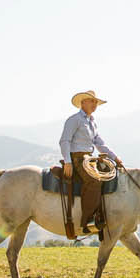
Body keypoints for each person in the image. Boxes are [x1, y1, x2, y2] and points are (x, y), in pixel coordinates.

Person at [58, 90, 114, 237]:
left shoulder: (92, 122)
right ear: (83, 103)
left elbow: (99, 143)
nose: (95, 104)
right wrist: (68, 162)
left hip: (89, 158)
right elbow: (65, 141)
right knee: (94, 180)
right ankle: (87, 222)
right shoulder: (74, 120)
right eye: (92, 101)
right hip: (77, 158)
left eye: (96, 102)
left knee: (108, 175)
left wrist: (115, 158)